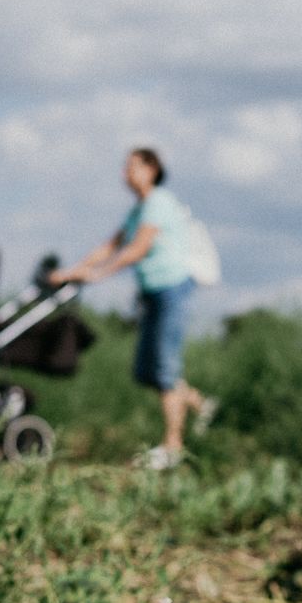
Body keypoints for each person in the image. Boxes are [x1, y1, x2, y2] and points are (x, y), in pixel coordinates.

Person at [47, 147, 214, 470]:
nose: (125, 173)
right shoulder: (138, 209)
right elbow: (111, 245)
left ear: (151, 169)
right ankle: (201, 404)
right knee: (145, 371)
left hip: (172, 290)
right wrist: (74, 271)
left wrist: (98, 274)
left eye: (132, 167)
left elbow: (137, 249)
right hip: (151, 294)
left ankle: (173, 447)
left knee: (164, 368)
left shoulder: (159, 203)